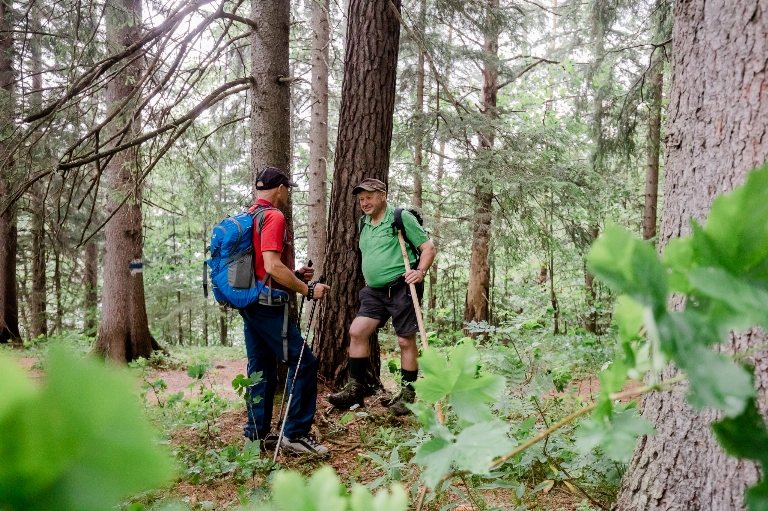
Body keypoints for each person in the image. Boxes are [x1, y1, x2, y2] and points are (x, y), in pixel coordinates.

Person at [240, 166, 331, 455]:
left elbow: (261, 268)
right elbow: (271, 266)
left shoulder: (249, 215)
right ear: (280, 189)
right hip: (268, 304)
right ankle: (294, 434)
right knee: (304, 362)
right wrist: (307, 289)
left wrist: (294, 274)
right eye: (287, 189)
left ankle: (254, 437)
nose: (288, 194)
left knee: (260, 368)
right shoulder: (274, 216)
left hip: (250, 301)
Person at [327, 178, 436, 415]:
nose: (364, 203)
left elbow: (428, 248)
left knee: (405, 341)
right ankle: (356, 388)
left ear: (382, 195)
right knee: (357, 331)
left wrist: (420, 271)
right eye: (361, 199)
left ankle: (407, 396)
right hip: (374, 292)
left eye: (369, 197)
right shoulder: (363, 223)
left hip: (402, 287)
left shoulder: (400, 217)